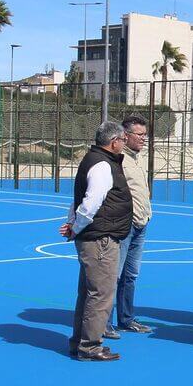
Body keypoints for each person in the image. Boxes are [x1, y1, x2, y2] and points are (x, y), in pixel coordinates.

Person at [59, 121, 132, 362]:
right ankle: (90, 346)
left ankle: (79, 342)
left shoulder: (94, 160)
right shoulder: (102, 165)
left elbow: (78, 199)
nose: (124, 144)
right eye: (123, 140)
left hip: (95, 236)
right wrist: (76, 227)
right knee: (101, 293)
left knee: (88, 293)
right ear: (114, 142)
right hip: (100, 239)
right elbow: (90, 202)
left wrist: (73, 224)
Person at [103, 116, 153, 339]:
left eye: (145, 135)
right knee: (113, 275)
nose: (143, 139)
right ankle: (104, 322)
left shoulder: (137, 158)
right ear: (126, 135)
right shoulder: (117, 159)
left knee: (131, 275)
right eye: (139, 135)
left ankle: (126, 318)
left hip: (141, 224)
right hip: (124, 225)